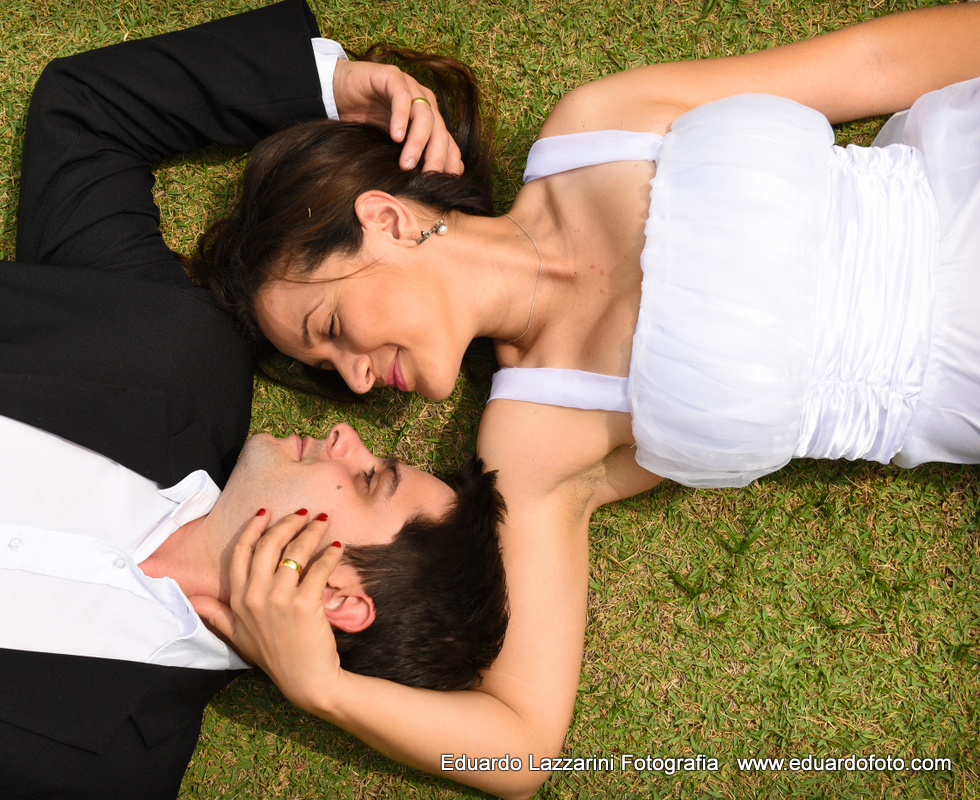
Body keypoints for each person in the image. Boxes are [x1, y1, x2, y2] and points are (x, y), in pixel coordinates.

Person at [191, 3, 980, 798]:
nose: (355, 378)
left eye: (330, 329)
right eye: (328, 369)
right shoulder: (533, 444)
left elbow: (875, 65)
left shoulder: (596, 128)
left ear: (386, 219)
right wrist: (323, 690)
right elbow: (520, 748)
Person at [0, 2, 507, 796]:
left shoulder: (104, 776)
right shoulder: (174, 355)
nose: (343, 432)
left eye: (368, 478)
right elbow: (86, 114)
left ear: (339, 597)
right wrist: (330, 84)